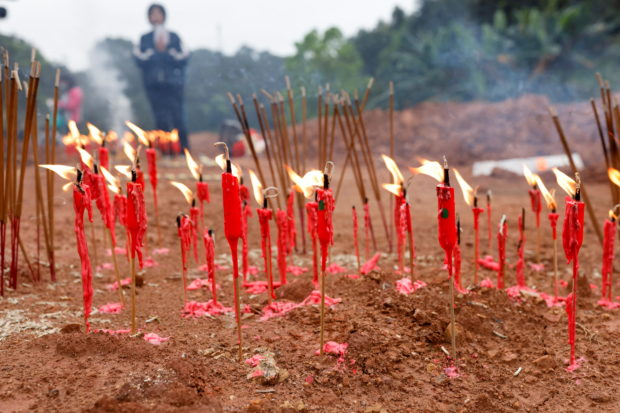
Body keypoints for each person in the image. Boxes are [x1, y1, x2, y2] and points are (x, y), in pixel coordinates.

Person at [134, 3, 190, 150]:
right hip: (153, 84)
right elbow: (139, 60)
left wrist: (166, 54)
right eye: (153, 14)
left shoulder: (174, 36)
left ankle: (183, 149)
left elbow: (184, 57)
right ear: (149, 17)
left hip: (173, 83)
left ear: (164, 16)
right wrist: (154, 55)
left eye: (159, 13)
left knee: (177, 115)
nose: (156, 16)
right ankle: (165, 150)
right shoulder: (144, 38)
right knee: (160, 117)